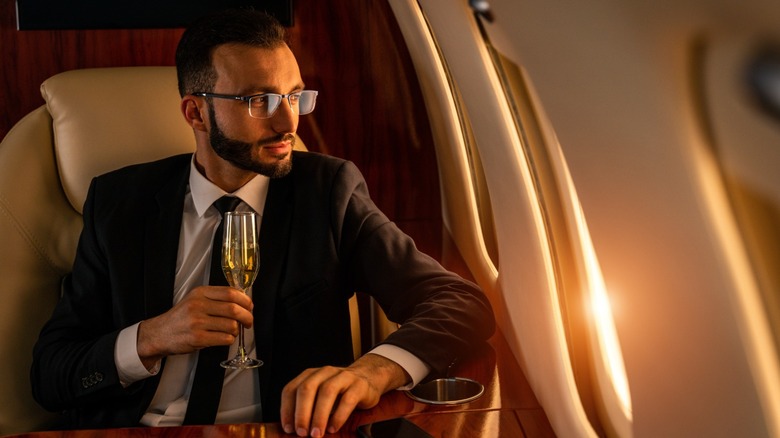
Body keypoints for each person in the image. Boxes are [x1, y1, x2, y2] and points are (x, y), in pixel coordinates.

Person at [30, 8, 495, 437]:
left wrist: (372, 372)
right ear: (196, 112)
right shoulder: (119, 203)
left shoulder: (327, 193)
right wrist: (152, 336)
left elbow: (459, 303)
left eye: (294, 96)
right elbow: (50, 374)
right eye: (259, 100)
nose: (287, 122)